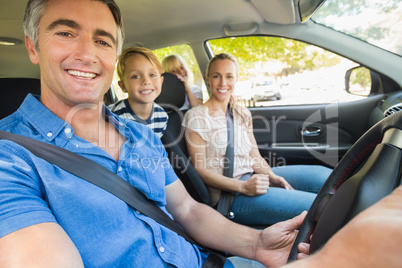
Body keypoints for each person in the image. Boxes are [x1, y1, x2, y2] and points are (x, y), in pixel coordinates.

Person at [0, 0, 309, 267]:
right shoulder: (9, 158)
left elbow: (187, 210)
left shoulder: (142, 135)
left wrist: (257, 245)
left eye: (103, 41)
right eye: (66, 33)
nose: (87, 53)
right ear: (33, 46)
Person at [183, 53, 332, 227]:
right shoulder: (196, 117)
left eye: (229, 76)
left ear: (236, 79)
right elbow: (199, 169)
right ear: (208, 78)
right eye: (216, 76)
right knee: (323, 207)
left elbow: (254, 156)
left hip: (253, 178)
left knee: (325, 176)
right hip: (231, 196)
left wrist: (271, 176)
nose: (223, 83)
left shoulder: (240, 112)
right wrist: (243, 187)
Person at [109, 47, 168, 138]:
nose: (146, 81)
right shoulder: (112, 116)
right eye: (135, 76)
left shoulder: (162, 117)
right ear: (123, 86)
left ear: (161, 81)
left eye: (152, 75)